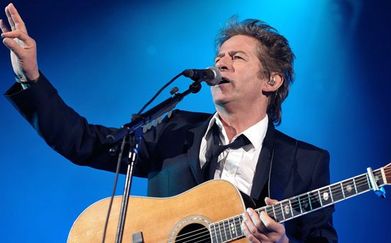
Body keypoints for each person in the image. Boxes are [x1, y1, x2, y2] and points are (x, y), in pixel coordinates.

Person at [1, 3, 337, 243]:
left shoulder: (306, 162)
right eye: (219, 56)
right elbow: (85, 143)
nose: (221, 62)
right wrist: (31, 78)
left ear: (272, 81)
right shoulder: (174, 129)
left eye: (237, 58)